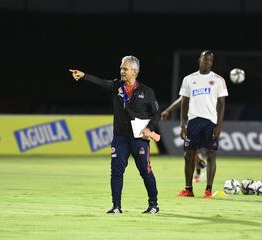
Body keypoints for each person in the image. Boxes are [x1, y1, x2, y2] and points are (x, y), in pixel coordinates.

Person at [69, 56, 160, 214]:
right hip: (120, 138)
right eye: (121, 68)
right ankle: (116, 206)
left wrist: (149, 128)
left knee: (145, 172)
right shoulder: (116, 86)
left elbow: (157, 114)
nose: (121, 71)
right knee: (116, 172)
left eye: (125, 69)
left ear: (135, 72)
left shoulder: (147, 92)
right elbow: (100, 82)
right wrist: (84, 76)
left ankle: (153, 205)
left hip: (139, 139)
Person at [176, 50, 228, 199]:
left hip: (210, 122)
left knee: (211, 154)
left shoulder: (218, 80)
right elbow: (184, 102)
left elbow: (222, 104)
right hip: (193, 122)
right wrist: (183, 125)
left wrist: (218, 125)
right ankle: (188, 190)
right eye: (205, 59)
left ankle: (208, 190)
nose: (207, 62)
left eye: (210, 60)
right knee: (188, 155)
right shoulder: (189, 79)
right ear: (200, 60)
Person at [160, 97, 207, 183]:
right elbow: (182, 98)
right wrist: (168, 110)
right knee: (191, 150)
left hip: (207, 119)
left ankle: (202, 170)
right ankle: (200, 168)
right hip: (193, 121)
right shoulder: (191, 85)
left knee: (199, 150)